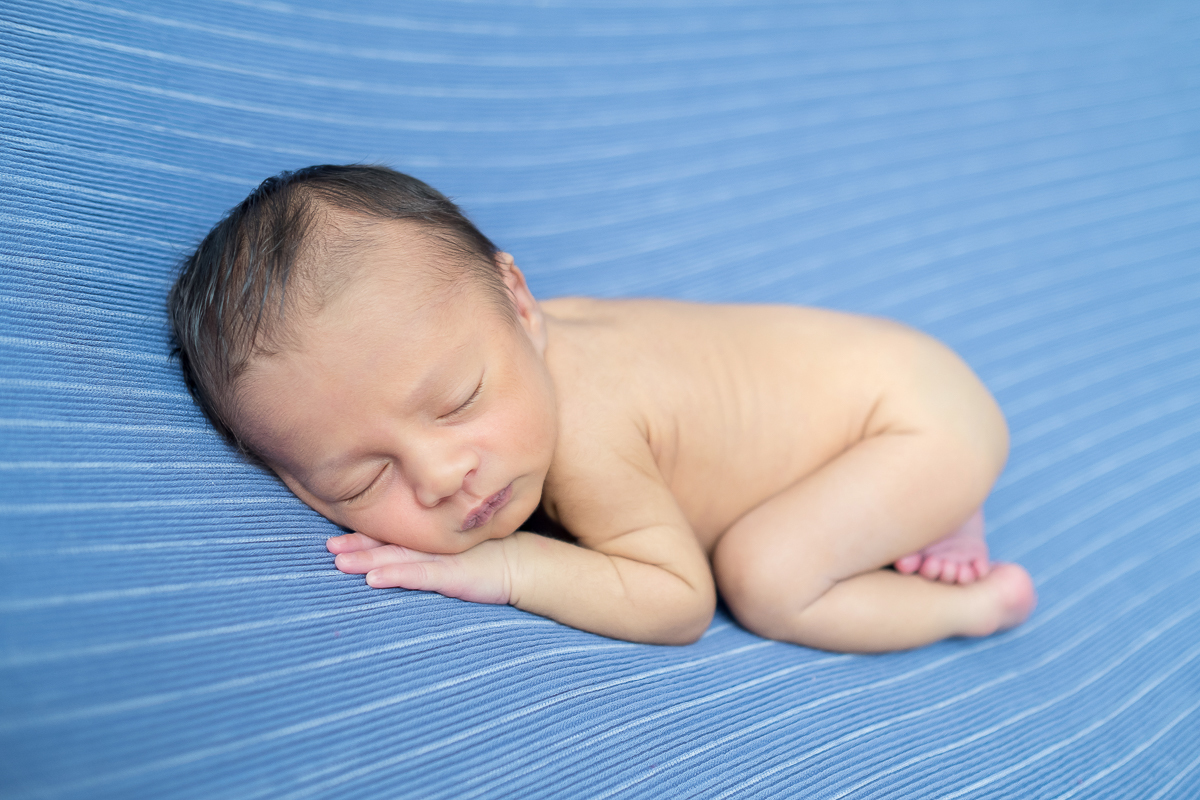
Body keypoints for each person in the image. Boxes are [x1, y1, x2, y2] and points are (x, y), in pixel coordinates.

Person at [168, 165, 1036, 653]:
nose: (440, 476)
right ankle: (927, 508)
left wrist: (509, 570)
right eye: (361, 475)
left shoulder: (584, 430)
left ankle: (971, 604)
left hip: (912, 415)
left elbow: (676, 601)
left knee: (767, 577)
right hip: (888, 380)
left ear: (519, 303)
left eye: (459, 401)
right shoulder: (495, 343)